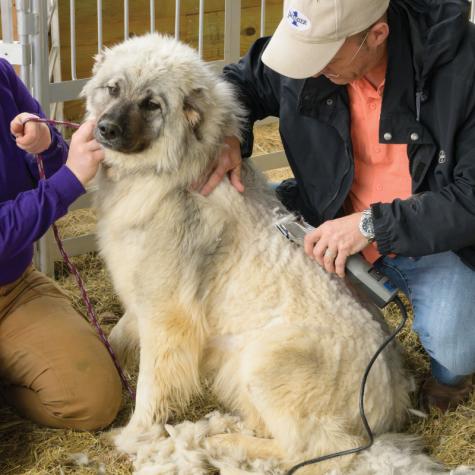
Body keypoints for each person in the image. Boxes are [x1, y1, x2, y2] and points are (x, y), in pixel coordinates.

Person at [202, 0, 475, 412]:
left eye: (323, 55)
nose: (308, 69)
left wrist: (369, 225)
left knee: (459, 350)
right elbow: (238, 85)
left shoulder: (465, 67)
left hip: (437, 238)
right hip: (328, 220)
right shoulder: (313, 53)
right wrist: (227, 133)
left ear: (377, 34)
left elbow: (471, 197)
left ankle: (451, 380)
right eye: (302, 49)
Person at [0, 58, 122, 429]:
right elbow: (60, 180)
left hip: (12, 287)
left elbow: (51, 163)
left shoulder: (2, 74)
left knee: (94, 400)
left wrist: (47, 144)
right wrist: (68, 180)